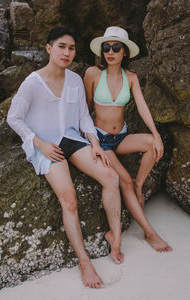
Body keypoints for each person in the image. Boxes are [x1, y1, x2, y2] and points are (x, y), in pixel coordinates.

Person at [7, 26, 124, 289]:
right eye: (61, 46)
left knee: (111, 176)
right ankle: (84, 261)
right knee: (69, 200)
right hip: (46, 143)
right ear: (49, 48)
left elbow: (83, 115)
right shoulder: (32, 83)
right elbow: (13, 117)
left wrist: (95, 143)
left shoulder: (74, 80)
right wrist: (38, 143)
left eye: (71, 48)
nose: (67, 52)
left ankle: (115, 236)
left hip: (72, 138)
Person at [84, 26, 172, 252]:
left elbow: (142, 107)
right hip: (102, 141)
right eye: (106, 47)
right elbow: (84, 111)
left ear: (125, 52)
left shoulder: (131, 77)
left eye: (116, 47)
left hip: (122, 136)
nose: (110, 52)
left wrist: (155, 135)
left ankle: (139, 184)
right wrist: (91, 142)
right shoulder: (93, 73)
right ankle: (150, 233)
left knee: (153, 145)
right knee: (123, 180)